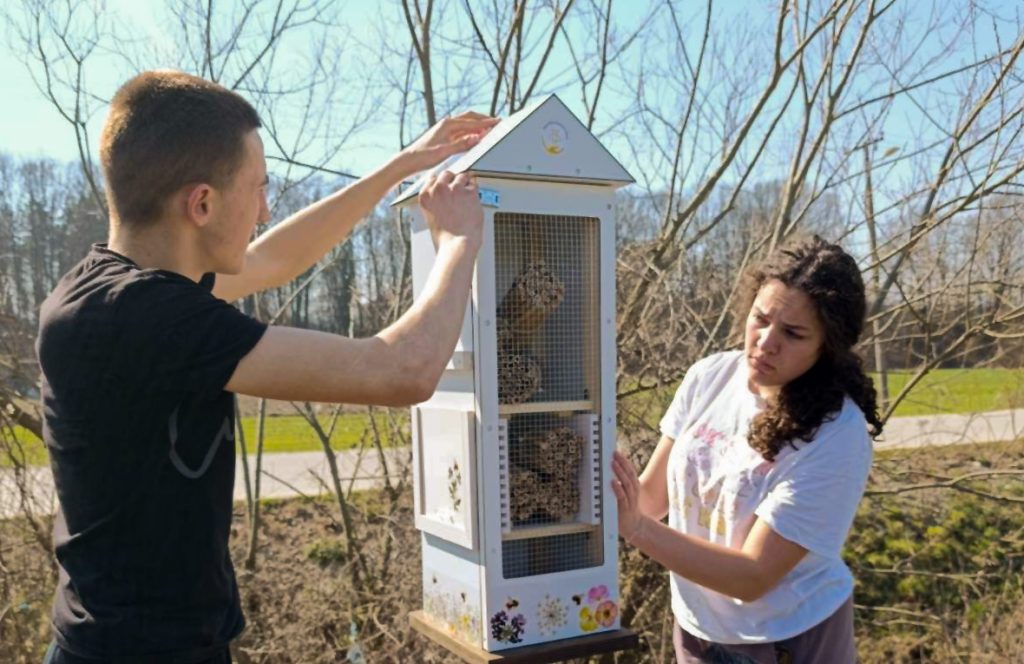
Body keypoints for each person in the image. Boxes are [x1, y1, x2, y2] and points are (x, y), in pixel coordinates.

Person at [36, 70, 498, 663]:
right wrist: (459, 241)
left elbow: (274, 258)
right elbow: (401, 370)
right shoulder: (143, 316)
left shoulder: (108, 290)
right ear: (200, 203)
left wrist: (397, 168)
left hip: (144, 644)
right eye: (257, 189)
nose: (264, 208)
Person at [612, 236, 884, 663]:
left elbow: (753, 576)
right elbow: (648, 500)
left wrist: (637, 529)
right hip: (698, 630)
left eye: (792, 334)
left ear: (826, 346)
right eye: (761, 319)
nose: (765, 342)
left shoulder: (838, 434)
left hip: (790, 640)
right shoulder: (710, 377)